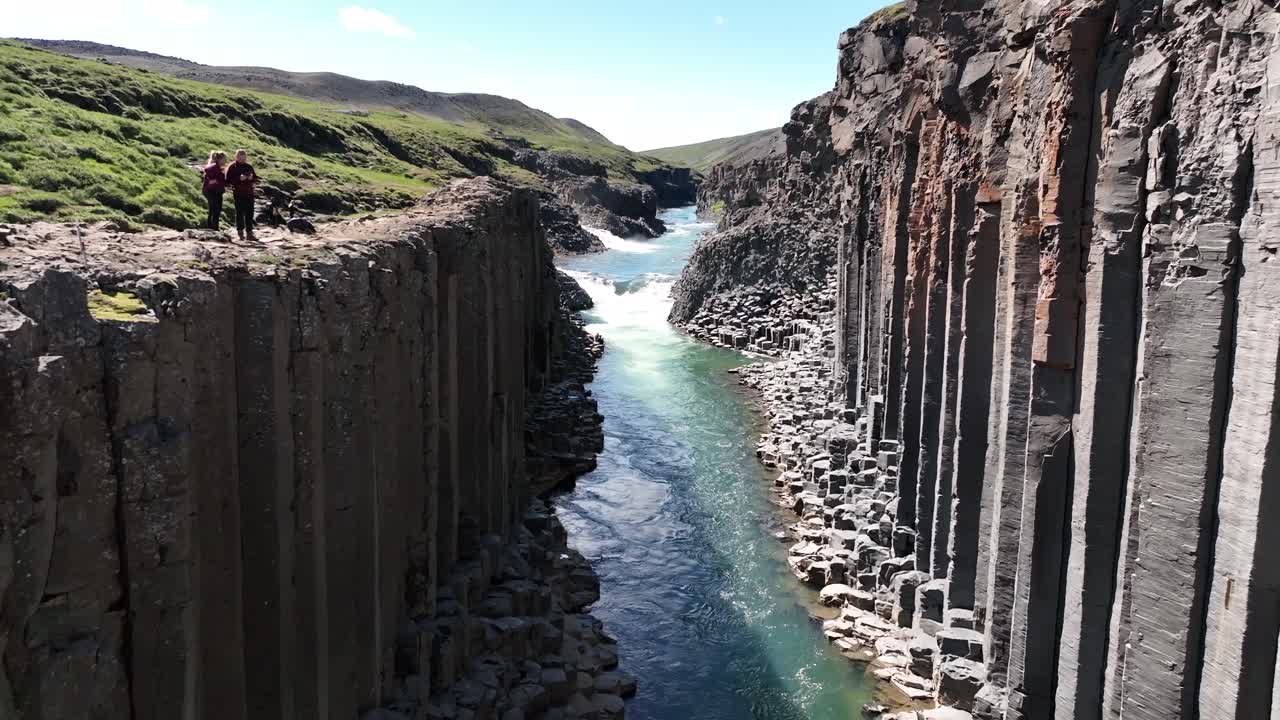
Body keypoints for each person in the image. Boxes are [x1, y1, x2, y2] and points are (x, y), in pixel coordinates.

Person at [225, 149, 258, 241]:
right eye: (241, 158)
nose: (243, 160)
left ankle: (249, 233)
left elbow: (255, 178)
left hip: (249, 192)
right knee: (239, 213)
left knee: (250, 213)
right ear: (236, 157)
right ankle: (240, 233)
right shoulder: (232, 167)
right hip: (238, 193)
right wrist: (239, 179)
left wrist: (251, 178)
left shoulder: (248, 166)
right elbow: (227, 180)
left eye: (244, 158)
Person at [201, 151, 227, 230]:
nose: (225, 161)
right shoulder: (214, 166)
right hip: (212, 191)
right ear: (220, 159)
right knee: (215, 209)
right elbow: (207, 170)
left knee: (214, 209)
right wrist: (212, 180)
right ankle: (214, 228)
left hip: (215, 191)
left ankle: (212, 227)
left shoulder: (218, 167)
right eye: (224, 159)